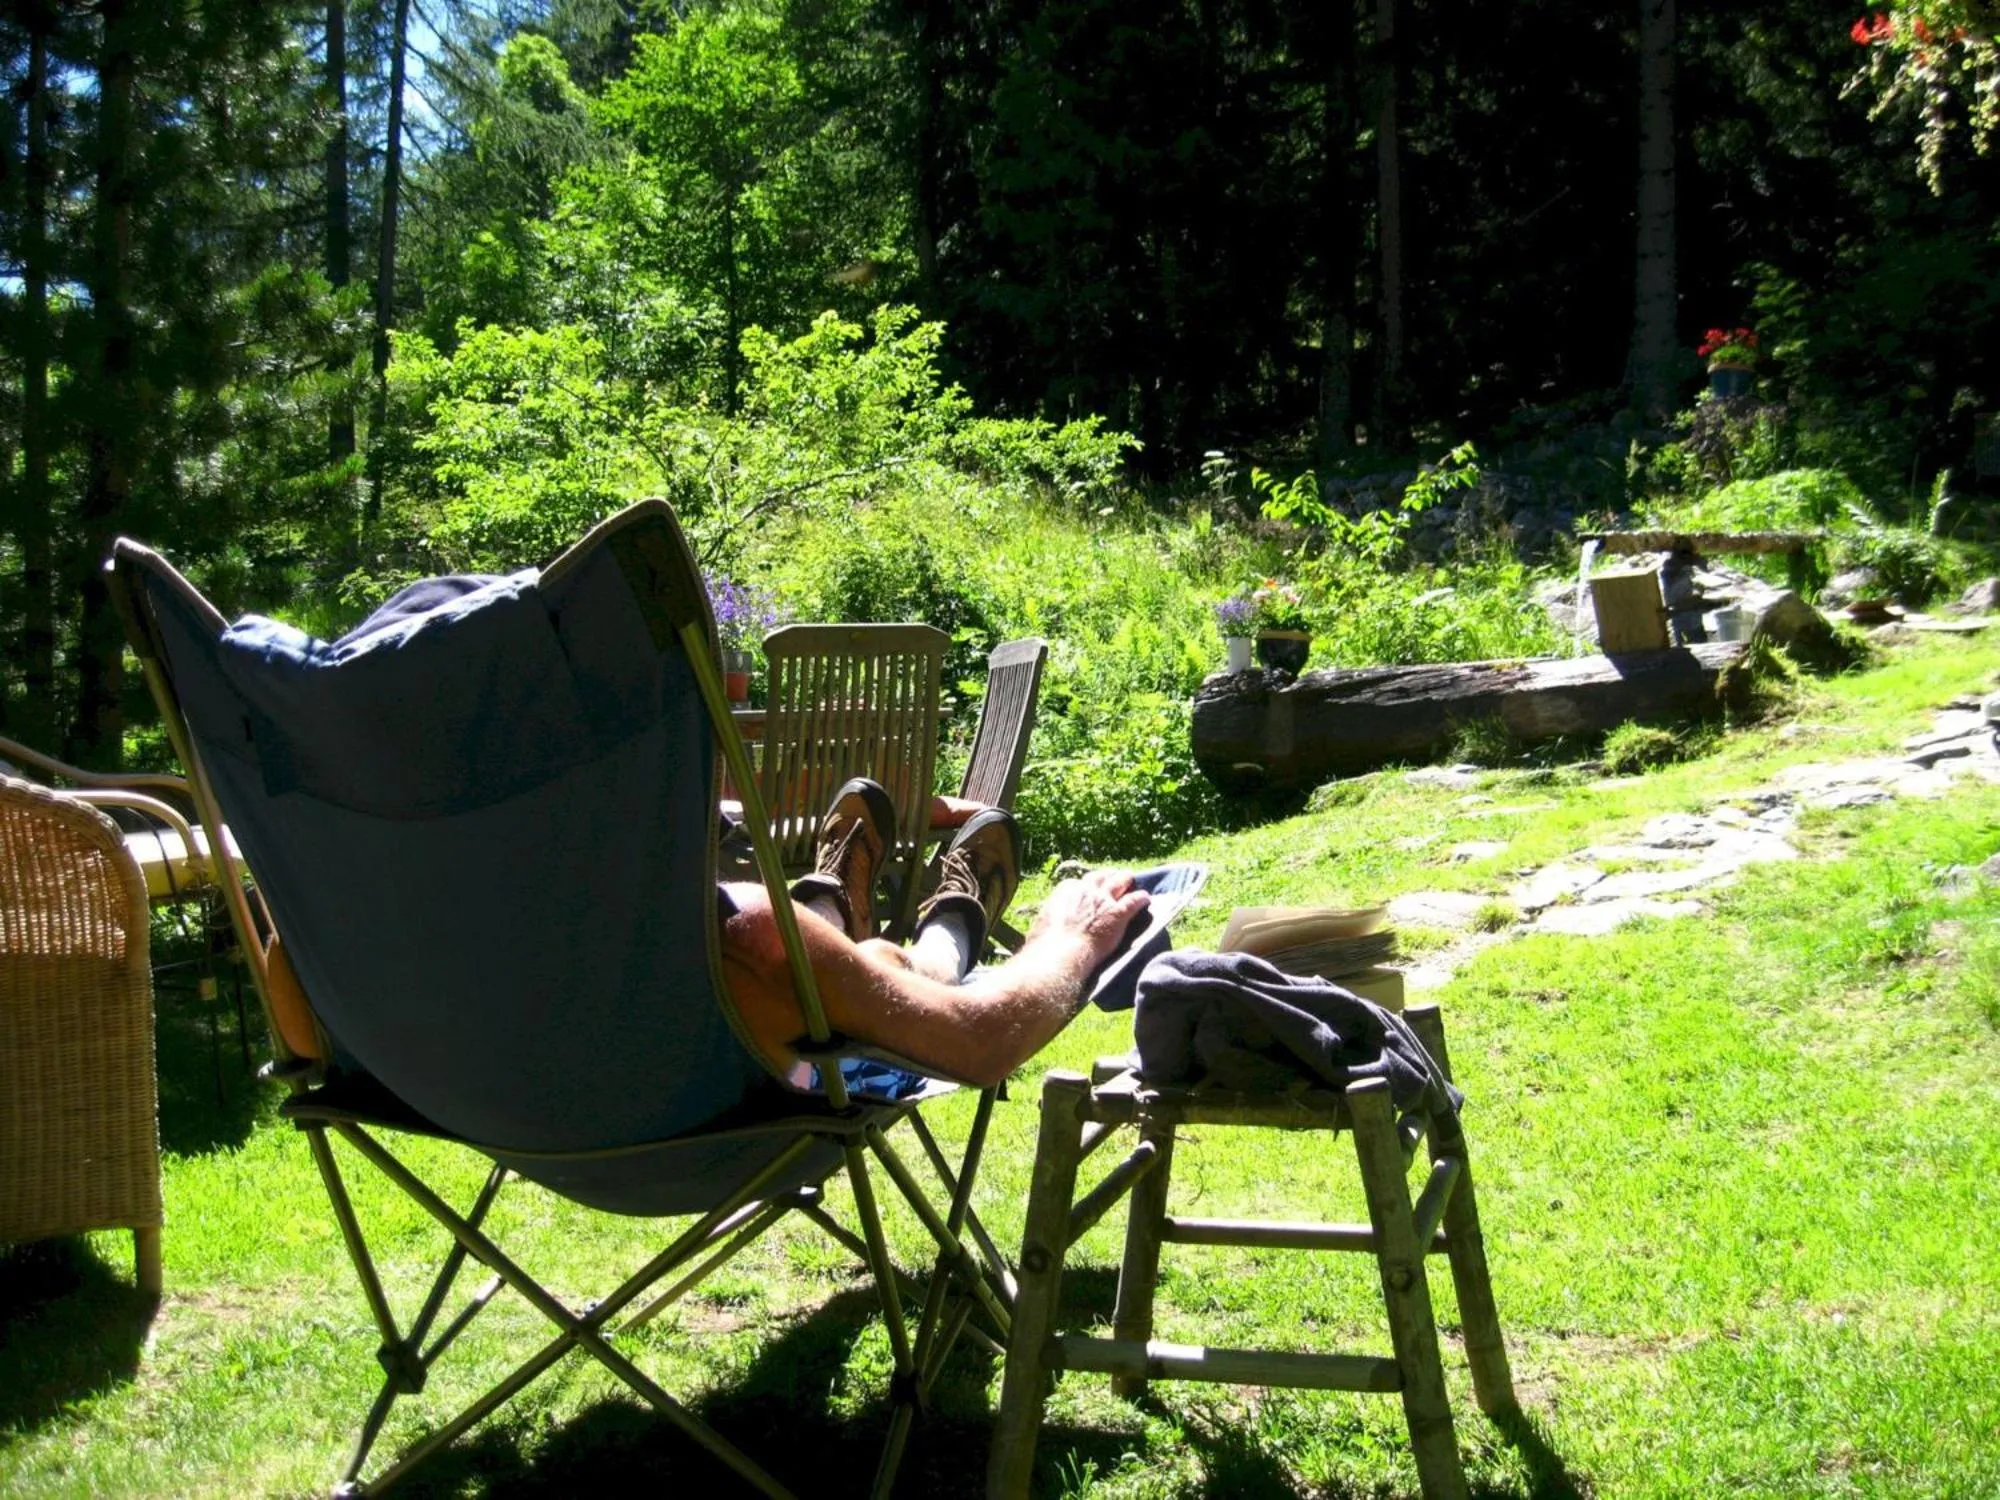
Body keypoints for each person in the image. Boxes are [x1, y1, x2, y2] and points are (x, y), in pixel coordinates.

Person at [718, 779, 1150, 1089]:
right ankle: (955, 924)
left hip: (686, 1157)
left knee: (817, 955)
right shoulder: (745, 930)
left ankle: (832, 904)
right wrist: (1070, 938)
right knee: (874, 961)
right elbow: (980, 1041)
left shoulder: (700, 932)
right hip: (802, 1098)